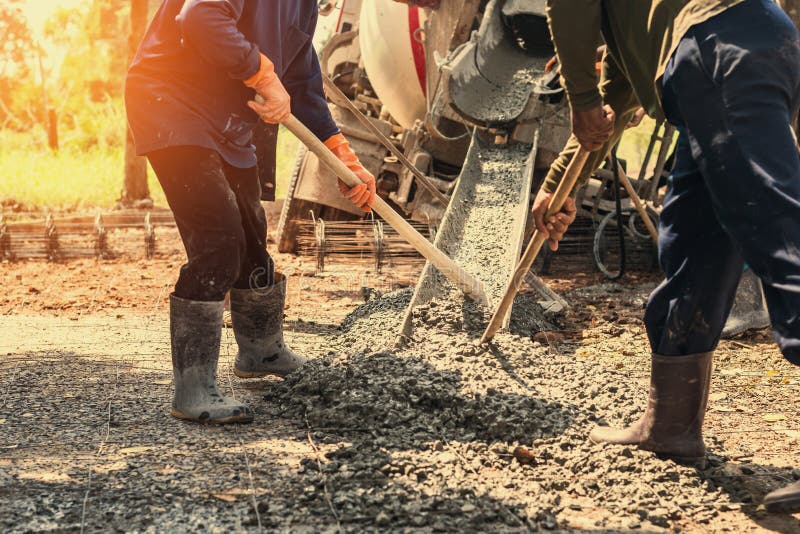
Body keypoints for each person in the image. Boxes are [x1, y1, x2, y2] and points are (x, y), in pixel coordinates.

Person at [541, 0, 800, 513]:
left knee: (778, 232)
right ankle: (671, 426)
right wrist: (557, 185)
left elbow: (568, 9)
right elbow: (615, 100)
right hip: (747, 45)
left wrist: (578, 96)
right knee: (694, 242)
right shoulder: (637, 20)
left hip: (715, 48)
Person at [125, 0, 376, 425]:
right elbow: (200, 17)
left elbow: (299, 79)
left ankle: (261, 351)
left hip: (227, 118)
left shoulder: (303, 7)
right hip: (171, 102)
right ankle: (193, 387)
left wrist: (342, 155)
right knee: (219, 238)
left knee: (251, 233)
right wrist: (261, 74)